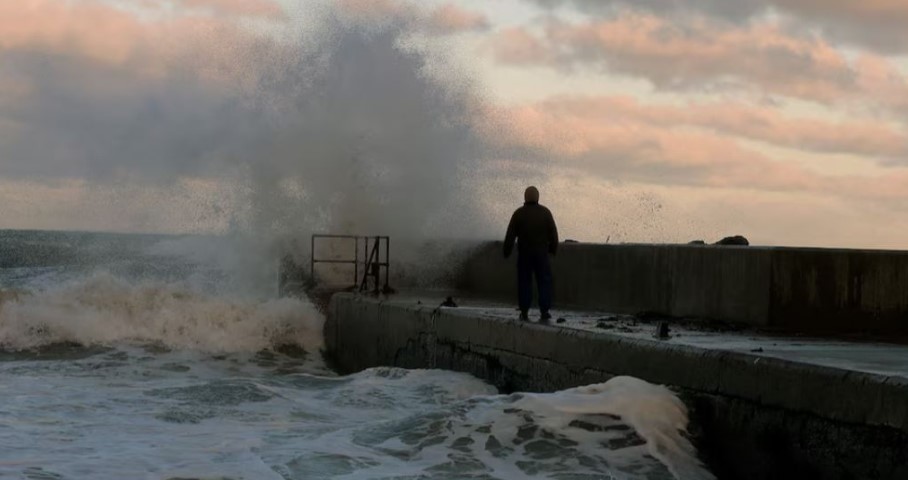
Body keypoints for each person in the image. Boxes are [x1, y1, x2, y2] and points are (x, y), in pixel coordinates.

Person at [503, 186, 558, 322]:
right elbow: (553, 234)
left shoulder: (518, 213)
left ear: (525, 197)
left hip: (525, 255)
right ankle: (544, 311)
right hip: (541, 255)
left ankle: (524, 311)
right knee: (544, 281)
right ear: (537, 197)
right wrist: (553, 249)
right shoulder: (545, 212)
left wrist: (506, 251)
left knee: (524, 282)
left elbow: (510, 236)